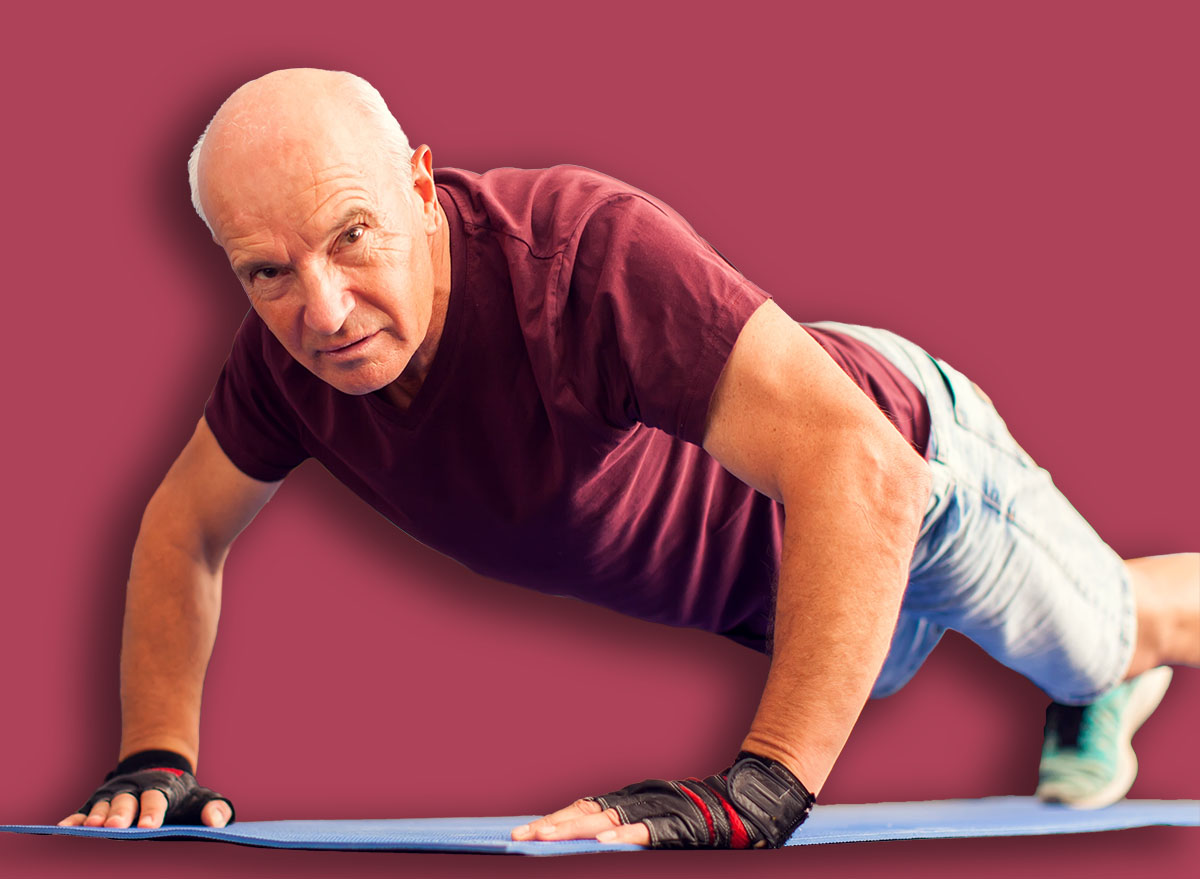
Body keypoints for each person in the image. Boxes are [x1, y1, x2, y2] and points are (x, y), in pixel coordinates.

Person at [58, 68, 1198, 849]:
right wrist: (154, 751)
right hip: (799, 595)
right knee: (904, 658)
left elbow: (866, 477)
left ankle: (1109, 674)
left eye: (353, 236)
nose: (324, 309)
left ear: (418, 185)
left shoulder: (577, 259)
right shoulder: (283, 365)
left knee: (1108, 633)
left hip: (909, 480)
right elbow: (182, 527)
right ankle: (1083, 680)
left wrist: (761, 789)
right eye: (267, 271)